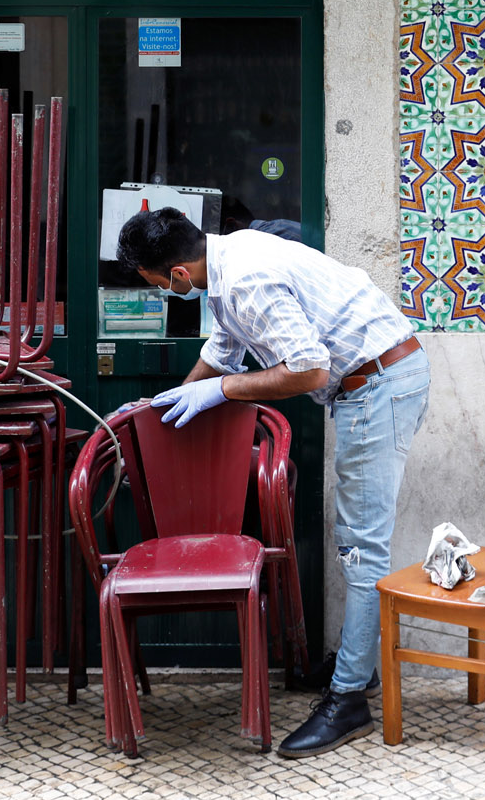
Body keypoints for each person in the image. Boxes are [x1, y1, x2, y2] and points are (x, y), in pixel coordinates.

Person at [115, 207, 427, 758]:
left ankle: (349, 699)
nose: (164, 292)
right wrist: (165, 404)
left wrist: (220, 391)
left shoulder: (246, 279)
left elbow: (308, 370)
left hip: (378, 386)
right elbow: (221, 354)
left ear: (180, 273)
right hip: (371, 381)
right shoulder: (225, 263)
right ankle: (358, 666)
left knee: (361, 546)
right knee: (359, 542)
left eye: (159, 284)